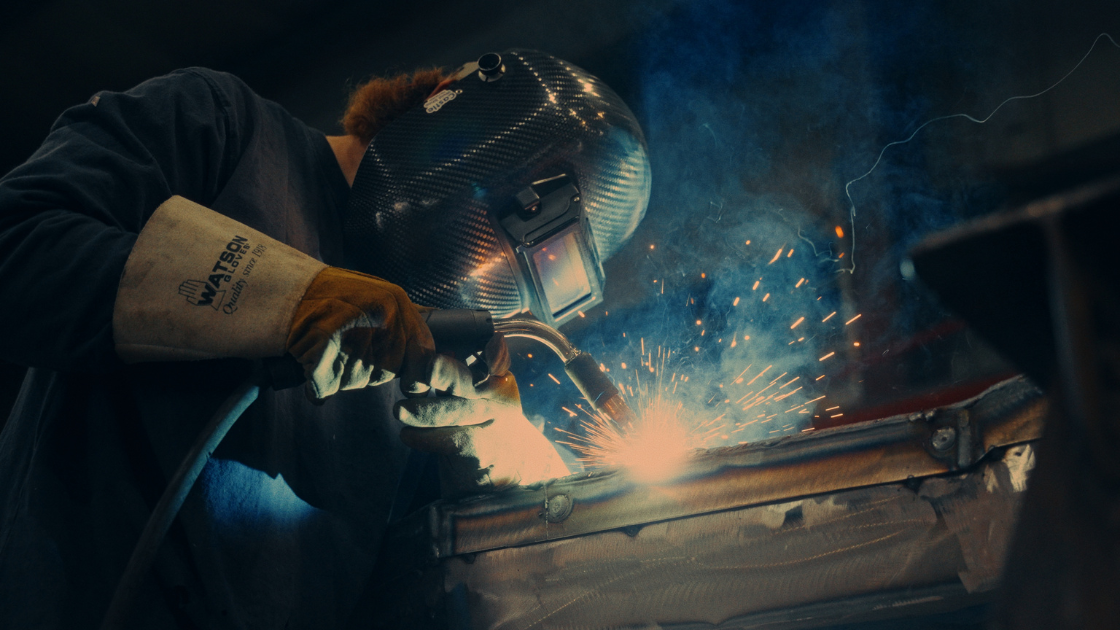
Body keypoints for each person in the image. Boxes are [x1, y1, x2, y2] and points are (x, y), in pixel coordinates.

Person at [0, 50, 650, 628]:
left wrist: (498, 469)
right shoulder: (221, 129)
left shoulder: (428, 351)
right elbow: (18, 244)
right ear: (461, 125)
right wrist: (285, 297)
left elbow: (421, 599)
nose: (485, 275)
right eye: (504, 231)